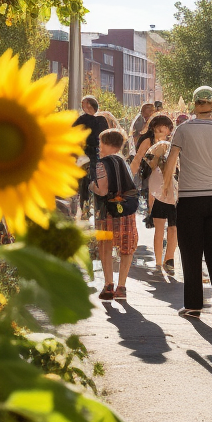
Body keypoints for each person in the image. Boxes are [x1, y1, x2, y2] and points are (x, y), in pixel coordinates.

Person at [161, 86, 212, 320]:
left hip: (190, 197)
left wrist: (166, 189)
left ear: (195, 104)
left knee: (191, 251)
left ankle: (194, 305)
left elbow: (172, 160)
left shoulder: (183, 130)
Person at [90, 129, 139, 301]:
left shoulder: (101, 164)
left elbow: (102, 190)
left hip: (108, 211)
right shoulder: (124, 162)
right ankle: (122, 286)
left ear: (104, 143)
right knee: (126, 246)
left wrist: (91, 186)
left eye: (100, 142)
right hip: (126, 209)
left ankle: (109, 284)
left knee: (106, 246)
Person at [142, 116, 178, 272]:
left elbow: (151, 181)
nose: (160, 133)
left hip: (166, 195)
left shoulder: (158, 152)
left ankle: (161, 261)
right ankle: (167, 260)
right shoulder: (174, 148)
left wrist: (150, 201)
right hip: (174, 195)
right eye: (157, 131)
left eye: (162, 130)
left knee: (163, 228)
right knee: (171, 228)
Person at [72, 96, 109, 210]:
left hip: (85, 154)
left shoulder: (82, 120)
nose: (82, 106)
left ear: (88, 105)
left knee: (85, 181)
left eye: (84, 103)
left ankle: (85, 207)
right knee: (97, 179)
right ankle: (98, 207)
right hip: (98, 154)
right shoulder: (102, 120)